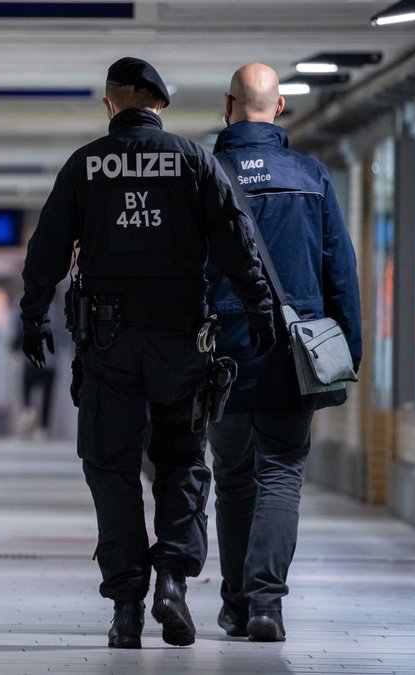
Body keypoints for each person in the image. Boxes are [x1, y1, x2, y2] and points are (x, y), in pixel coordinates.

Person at [19, 57, 275, 650]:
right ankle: (172, 582)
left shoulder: (86, 165)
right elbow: (236, 241)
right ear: (159, 105)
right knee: (182, 460)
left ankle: (127, 607)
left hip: (107, 344)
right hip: (181, 341)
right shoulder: (193, 160)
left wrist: (32, 315)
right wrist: (260, 308)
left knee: (110, 467)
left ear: (112, 104)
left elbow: (48, 248)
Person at [207, 63, 362, 642]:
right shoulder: (310, 176)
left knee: (233, 477)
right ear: (279, 109)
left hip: (220, 352)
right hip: (293, 357)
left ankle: (235, 603)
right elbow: (339, 271)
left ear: (228, 106)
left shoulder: (206, 175)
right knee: (280, 472)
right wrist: (349, 349)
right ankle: (265, 604)